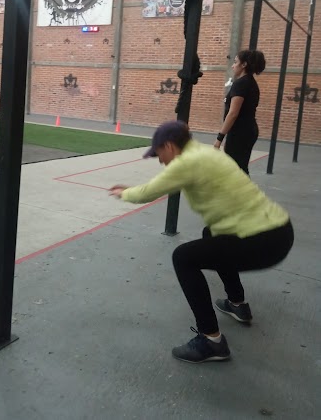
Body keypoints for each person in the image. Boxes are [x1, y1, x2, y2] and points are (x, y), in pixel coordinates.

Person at [109, 121, 293, 364]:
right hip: (278, 230)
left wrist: (124, 193)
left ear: (169, 146)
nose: (160, 161)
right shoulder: (206, 152)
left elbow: (148, 192)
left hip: (262, 239)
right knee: (210, 235)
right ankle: (237, 303)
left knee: (183, 257)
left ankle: (211, 340)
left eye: (159, 154)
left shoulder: (187, 162)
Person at [215, 50, 266, 175]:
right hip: (246, 131)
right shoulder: (250, 83)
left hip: (241, 133)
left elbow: (233, 113)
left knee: (235, 169)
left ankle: (243, 187)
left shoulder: (241, 84)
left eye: (235, 62)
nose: (233, 65)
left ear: (244, 64)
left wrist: (219, 138)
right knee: (239, 168)